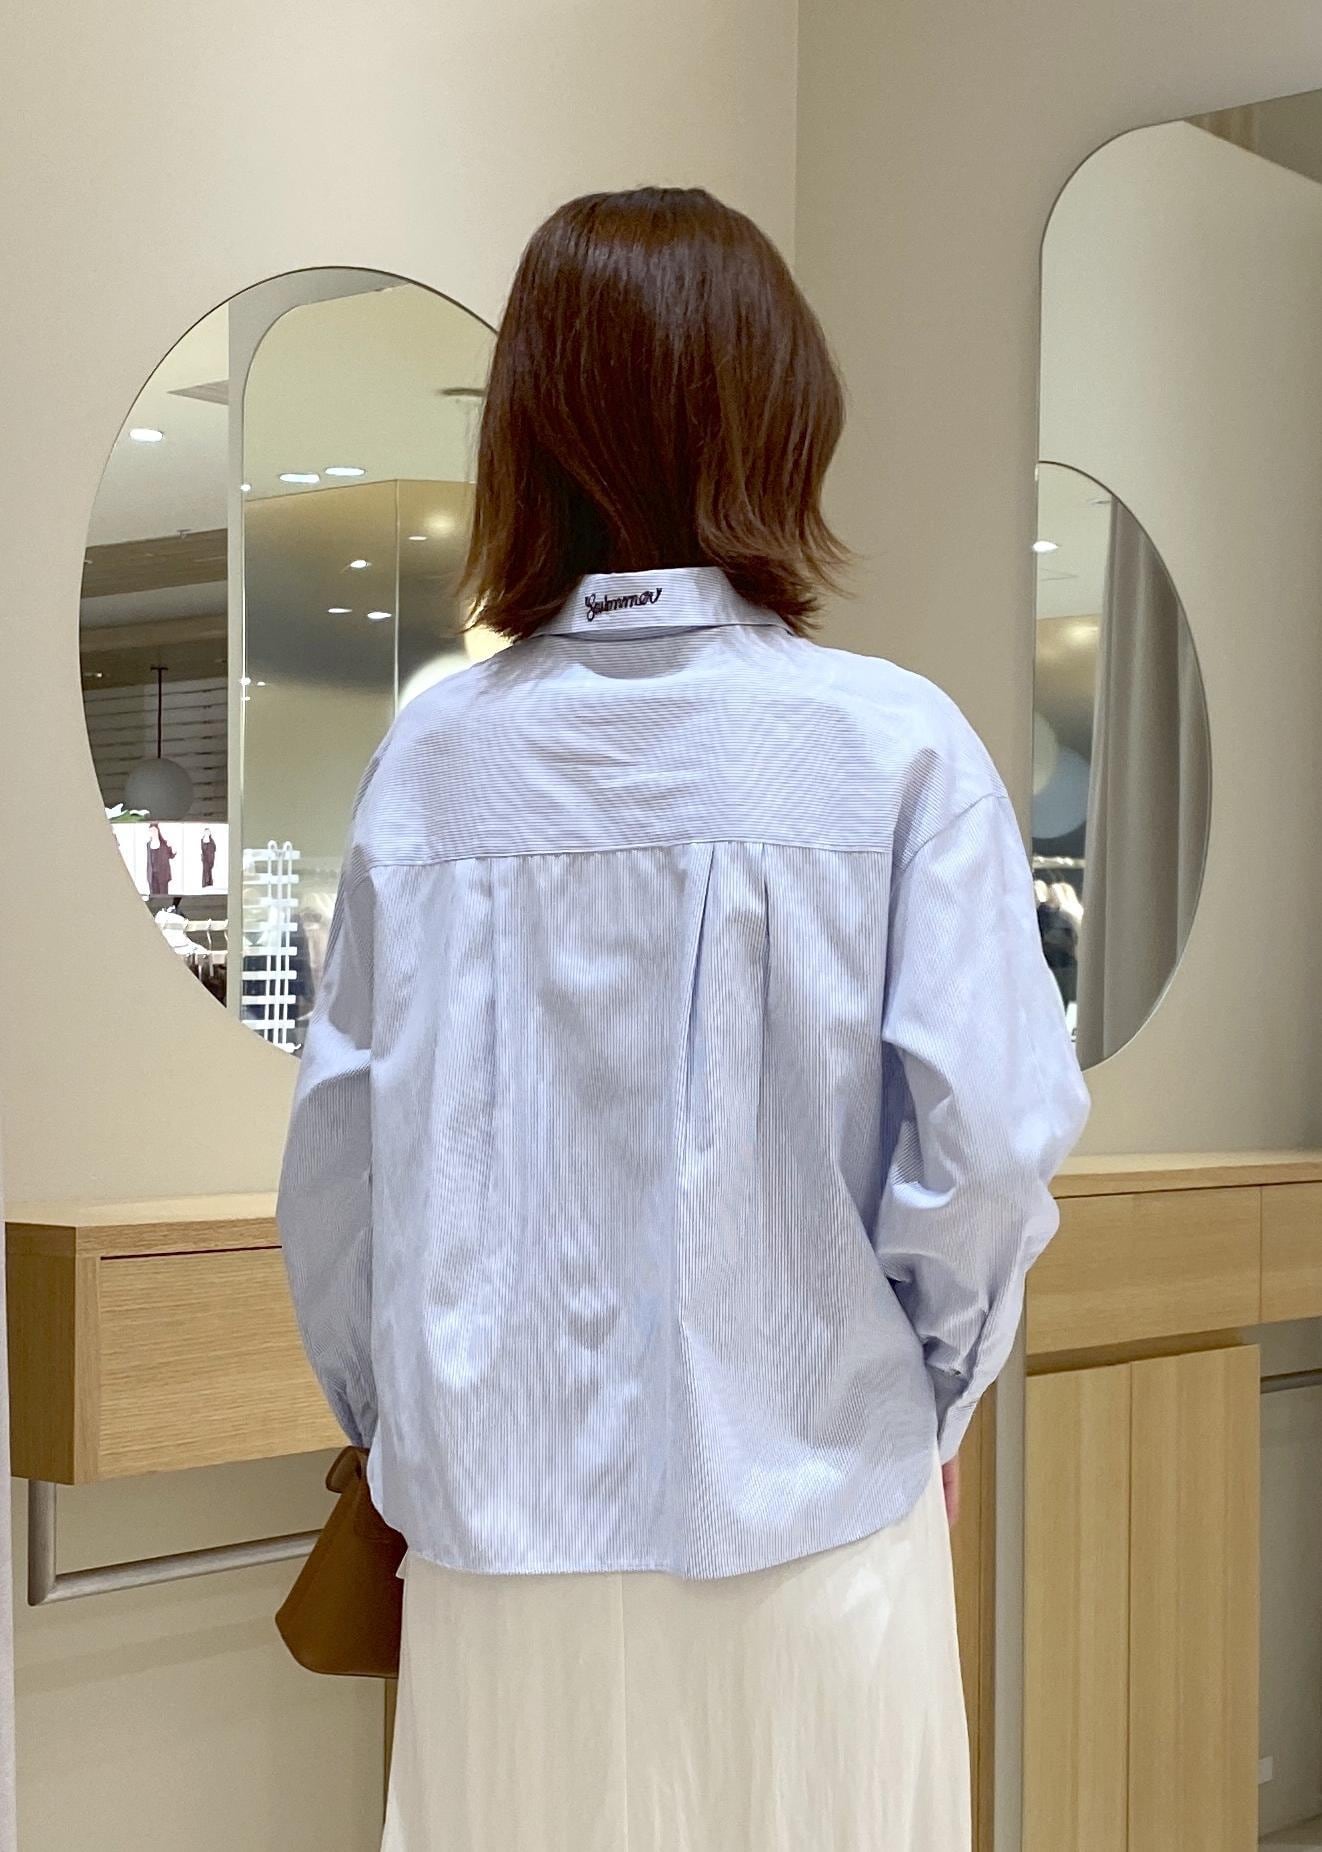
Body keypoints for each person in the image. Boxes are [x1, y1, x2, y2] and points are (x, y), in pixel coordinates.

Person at [279, 187, 1090, 1852]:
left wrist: (405, 1429)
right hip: (816, 1535)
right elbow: (988, 1152)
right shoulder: (894, 749)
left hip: (497, 1558)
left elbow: (341, 1176)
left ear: (524, 433)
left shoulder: (434, 762)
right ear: (783, 416)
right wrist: (919, 1399)